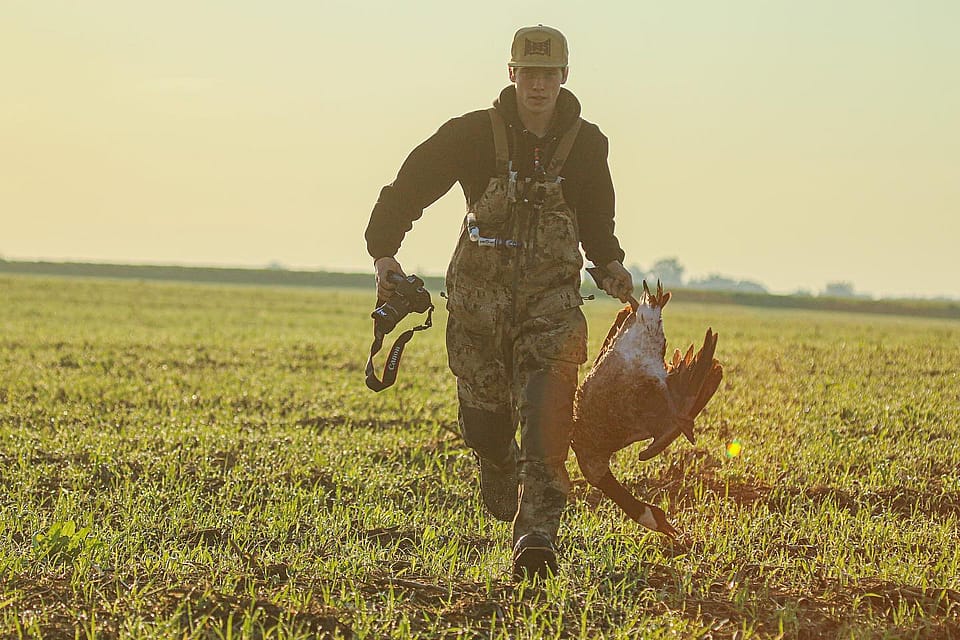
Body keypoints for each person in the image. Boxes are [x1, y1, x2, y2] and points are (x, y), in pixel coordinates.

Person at [364, 24, 633, 580]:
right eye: (528, 73)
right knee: (485, 423)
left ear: (564, 77)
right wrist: (384, 250)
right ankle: (496, 459)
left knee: (547, 418)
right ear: (511, 73)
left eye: (549, 74)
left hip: (551, 307)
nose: (538, 84)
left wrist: (609, 265)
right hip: (477, 312)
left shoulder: (588, 144)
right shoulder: (470, 135)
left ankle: (536, 536)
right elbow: (410, 185)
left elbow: (597, 221)